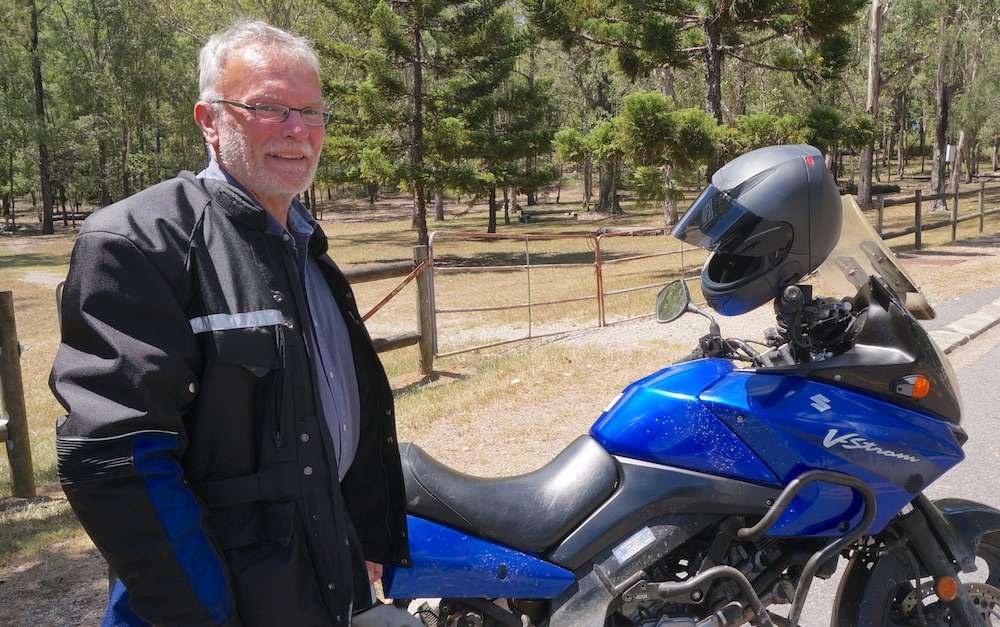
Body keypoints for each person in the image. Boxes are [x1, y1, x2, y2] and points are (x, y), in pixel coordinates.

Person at [50, 20, 419, 627]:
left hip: (320, 582)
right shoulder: (142, 242)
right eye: (268, 108)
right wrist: (201, 611)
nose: (297, 130)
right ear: (209, 120)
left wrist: (360, 535)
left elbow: (321, 422)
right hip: (218, 603)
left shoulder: (305, 248)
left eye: (311, 111)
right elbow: (115, 459)